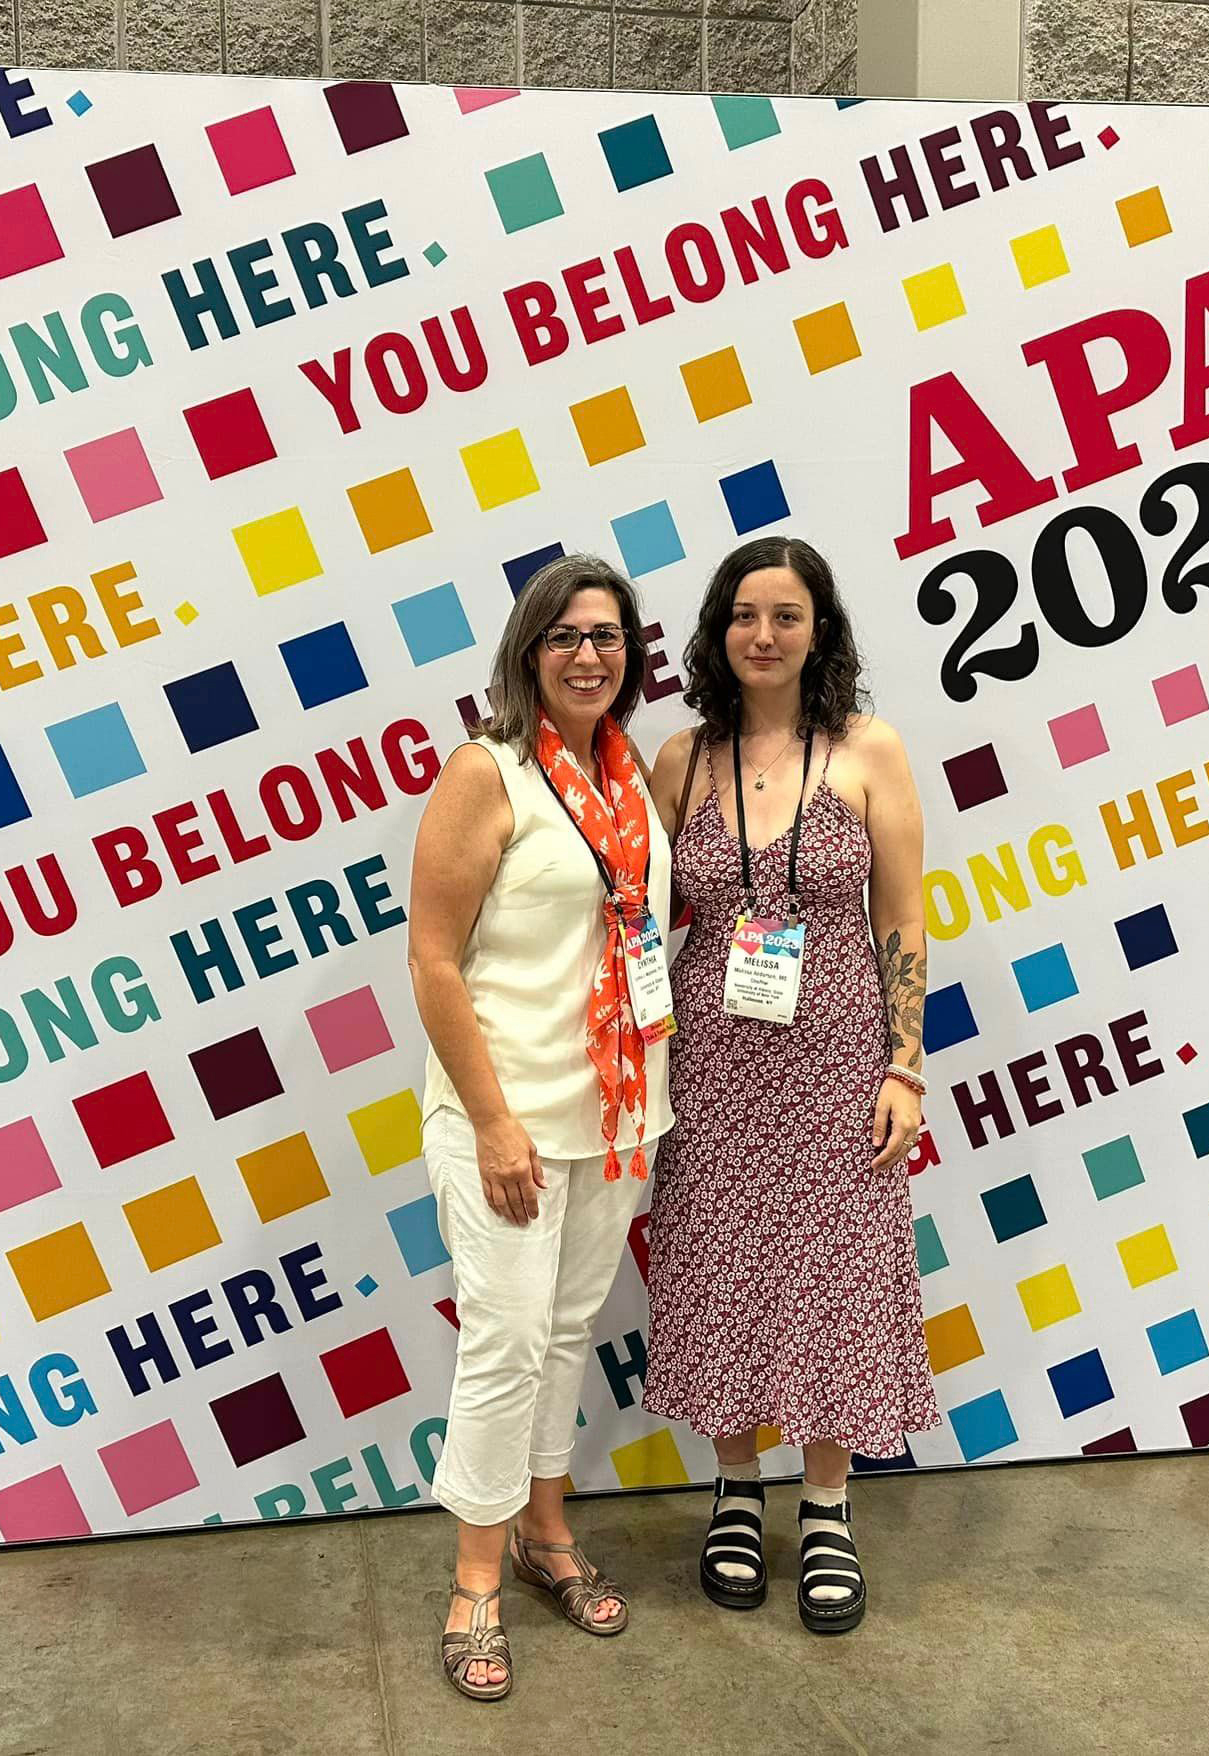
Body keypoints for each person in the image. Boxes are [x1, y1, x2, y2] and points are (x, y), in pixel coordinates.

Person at [644, 534, 939, 1636]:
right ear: (718, 633)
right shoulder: (682, 758)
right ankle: (733, 1486)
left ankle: (825, 1502)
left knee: (833, 1272)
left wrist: (902, 1064)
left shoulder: (868, 749)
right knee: (719, 1262)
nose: (760, 635)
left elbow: (900, 914)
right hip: (710, 1063)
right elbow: (637, 918)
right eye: (741, 616)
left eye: (784, 614)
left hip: (834, 1060)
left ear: (820, 630)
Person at [407, 554, 675, 1700]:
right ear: (527, 651)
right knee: (504, 1340)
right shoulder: (489, 772)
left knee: (565, 1331)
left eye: (607, 635)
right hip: (504, 1115)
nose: (587, 653)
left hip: (615, 1114)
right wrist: (491, 1122)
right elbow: (430, 957)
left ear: (631, 654)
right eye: (564, 635)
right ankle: (474, 1577)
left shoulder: (628, 778)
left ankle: (543, 1531)